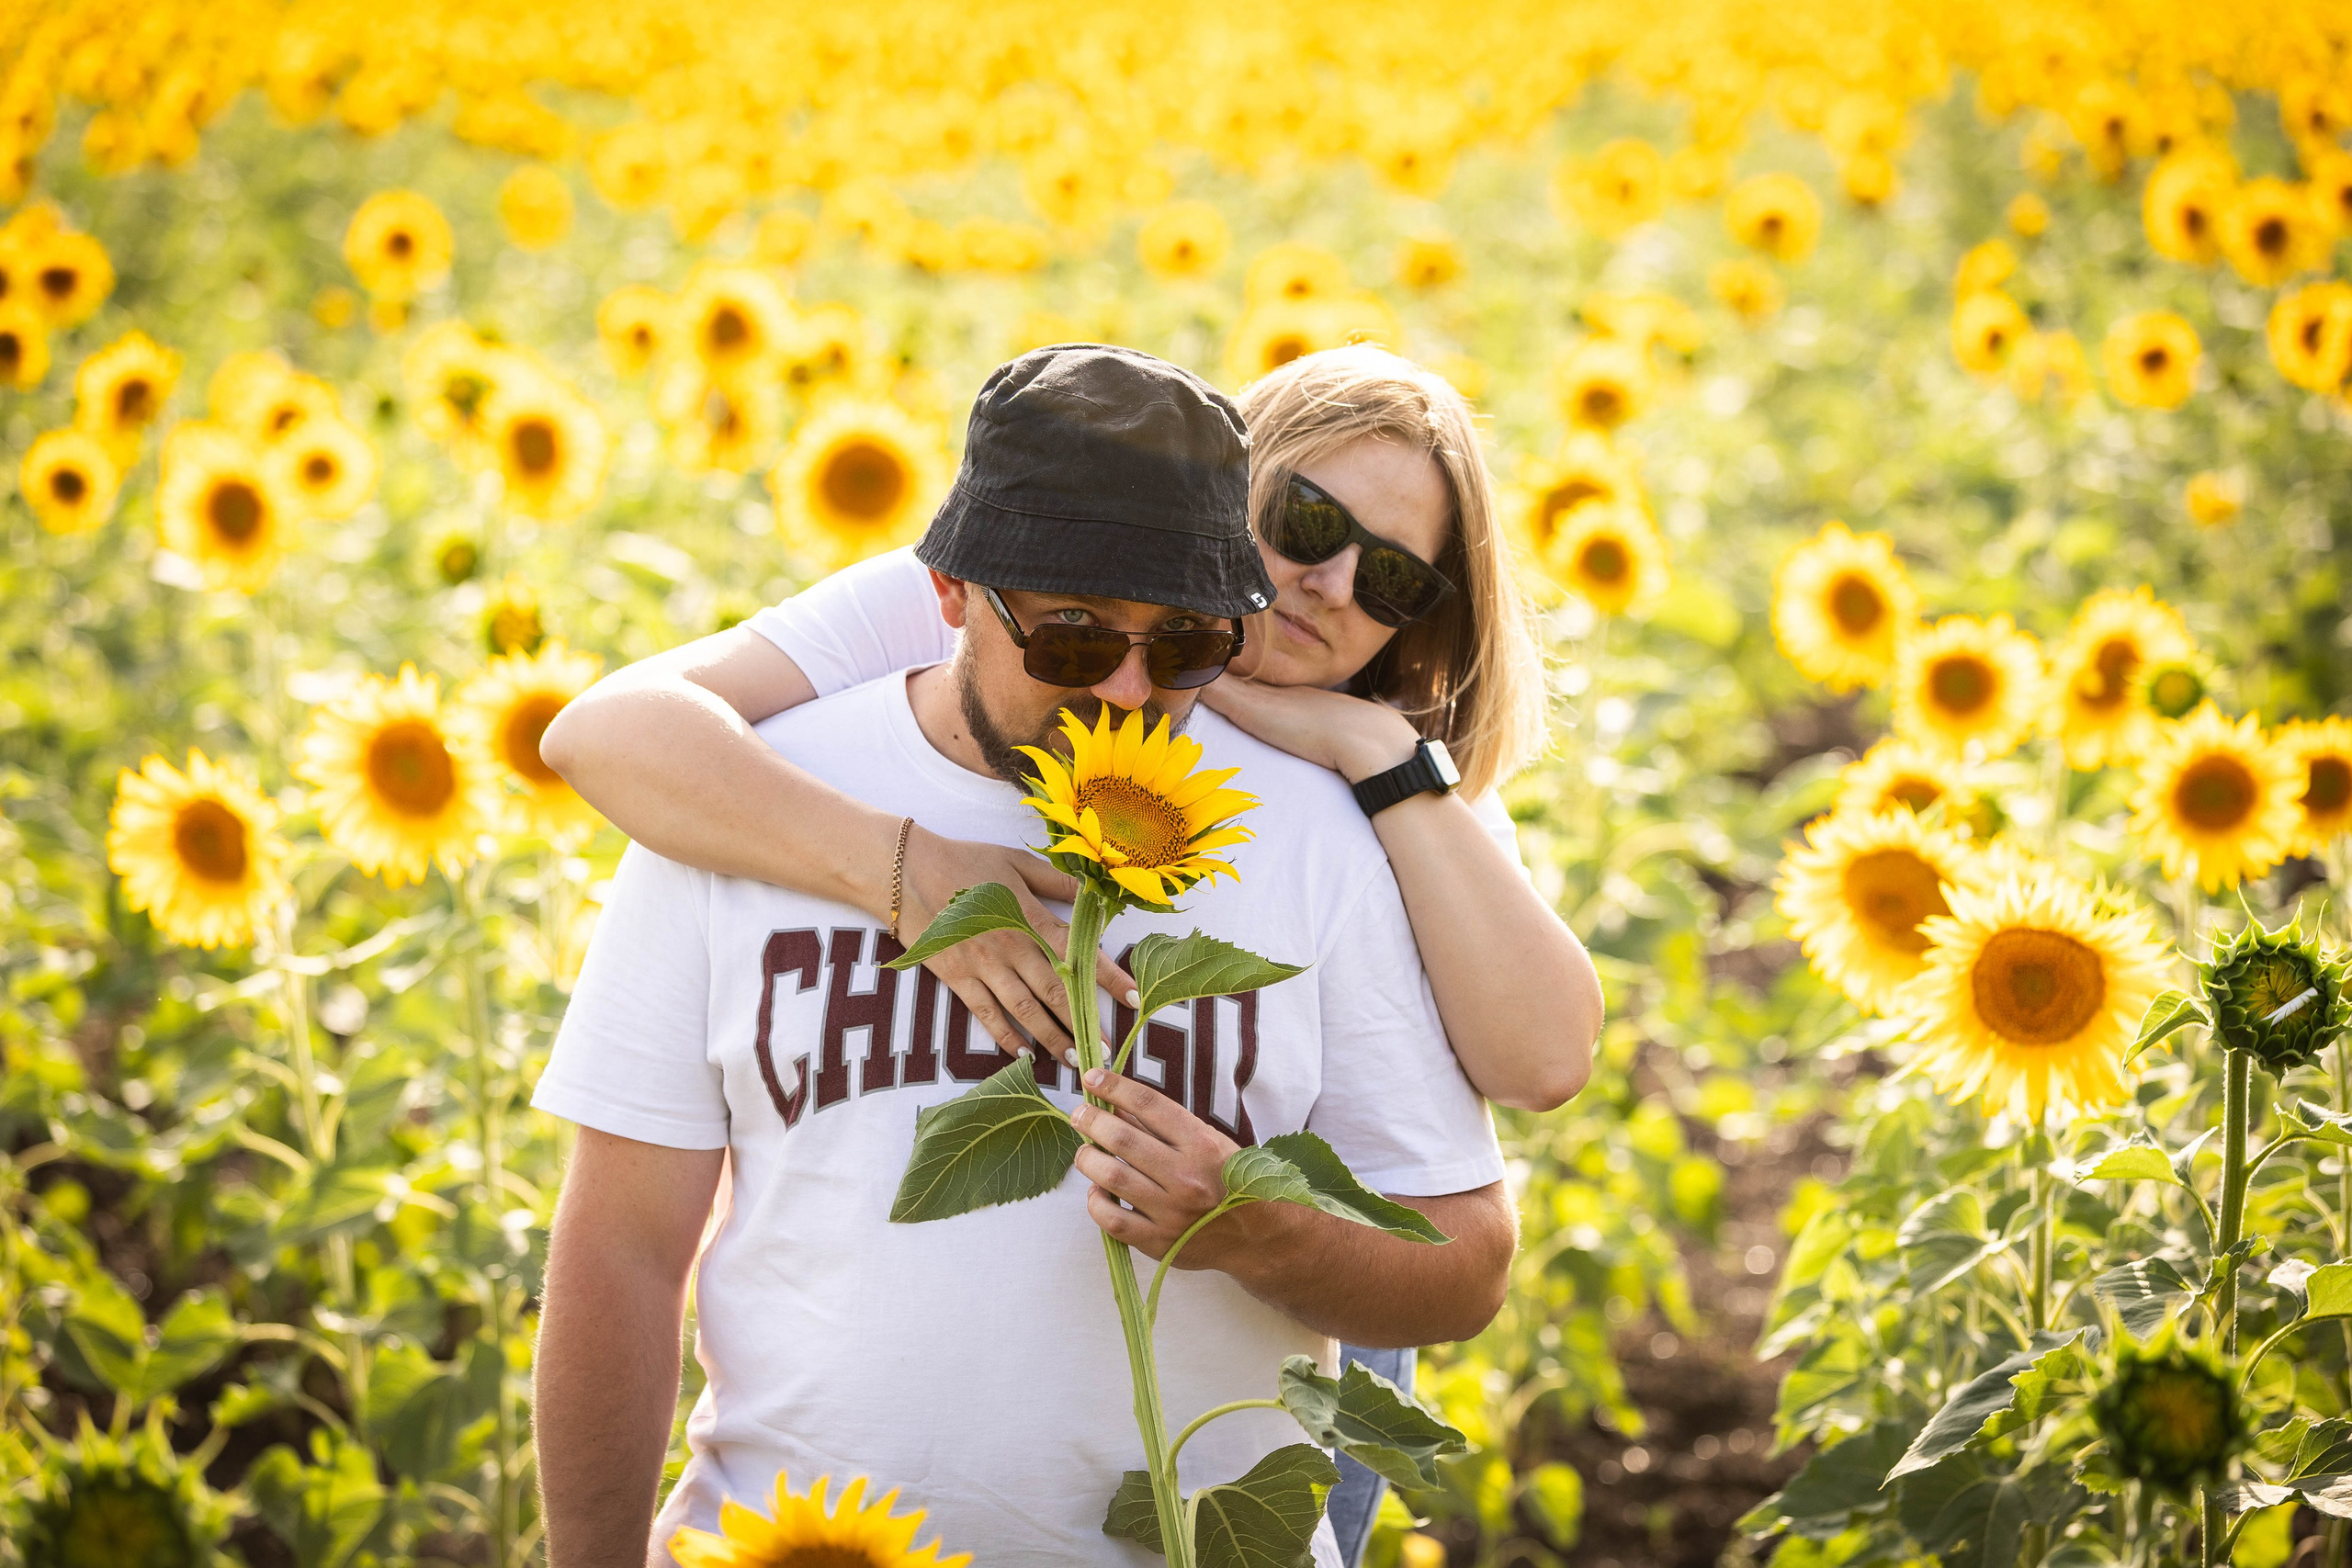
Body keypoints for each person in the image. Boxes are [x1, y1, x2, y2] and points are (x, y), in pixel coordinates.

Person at [540, 344, 1603, 1563]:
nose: (1329, 585)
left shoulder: (1367, 811)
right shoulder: (775, 755)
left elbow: (1532, 1081)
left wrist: (1371, 761)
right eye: (1307, 524)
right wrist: (904, 868)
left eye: (1399, 579)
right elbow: (611, 733)